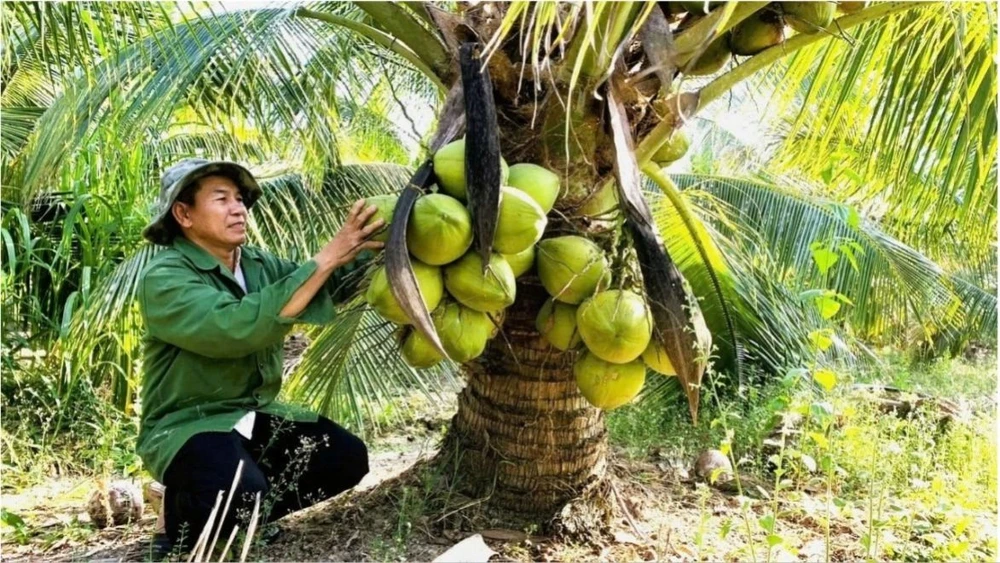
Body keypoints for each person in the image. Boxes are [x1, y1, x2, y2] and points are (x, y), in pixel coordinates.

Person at [136, 158, 384, 554]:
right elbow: (236, 328)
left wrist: (379, 244)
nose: (238, 208)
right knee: (239, 492)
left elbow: (324, 286)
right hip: (189, 424)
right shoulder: (165, 277)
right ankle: (182, 510)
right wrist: (325, 258)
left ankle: (241, 512)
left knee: (347, 458)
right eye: (221, 199)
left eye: (239, 199)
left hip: (251, 415)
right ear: (183, 213)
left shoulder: (257, 264)